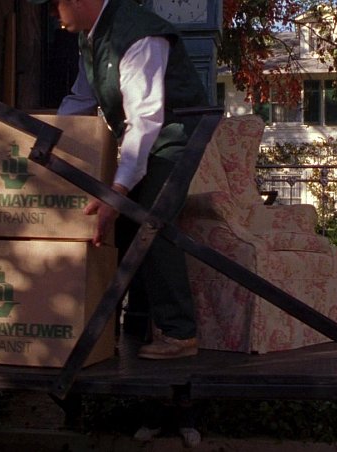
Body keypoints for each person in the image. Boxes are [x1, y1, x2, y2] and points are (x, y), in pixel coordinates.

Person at [31, 0, 208, 359]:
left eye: (53, 6)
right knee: (126, 228)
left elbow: (144, 122)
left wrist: (117, 191)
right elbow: (80, 98)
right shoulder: (90, 37)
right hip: (143, 137)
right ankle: (131, 324)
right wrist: (45, 137)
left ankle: (180, 333)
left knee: (152, 221)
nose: (51, 16)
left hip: (175, 136)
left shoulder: (138, 36)